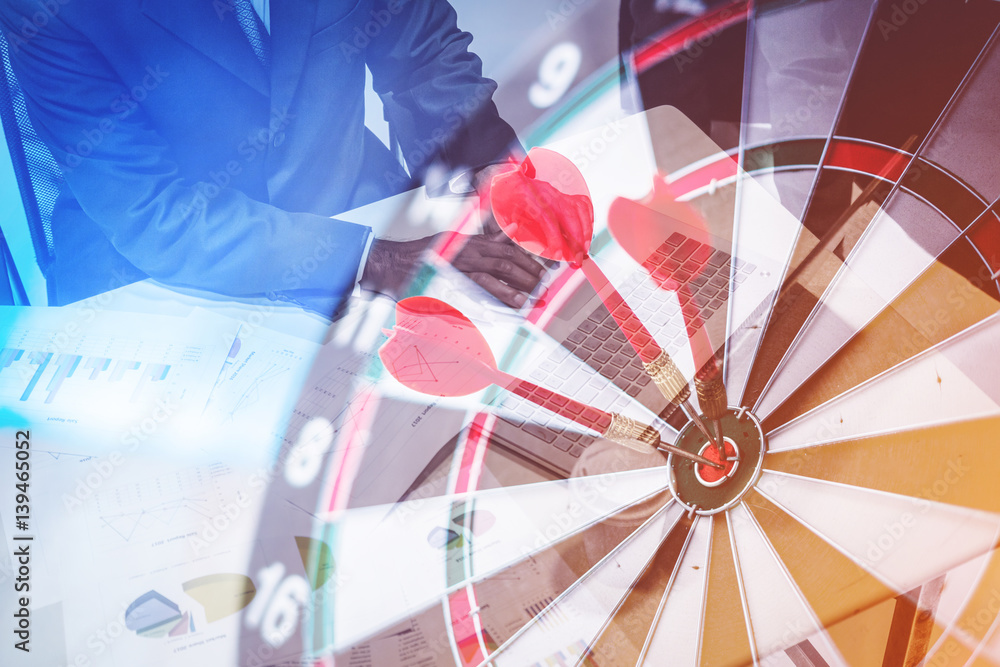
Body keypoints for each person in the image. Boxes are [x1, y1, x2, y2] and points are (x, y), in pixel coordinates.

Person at [0, 0, 544, 313]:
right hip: (154, 273)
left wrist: (486, 162)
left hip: (344, 194)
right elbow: (154, 213)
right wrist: (373, 261)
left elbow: (419, 53)